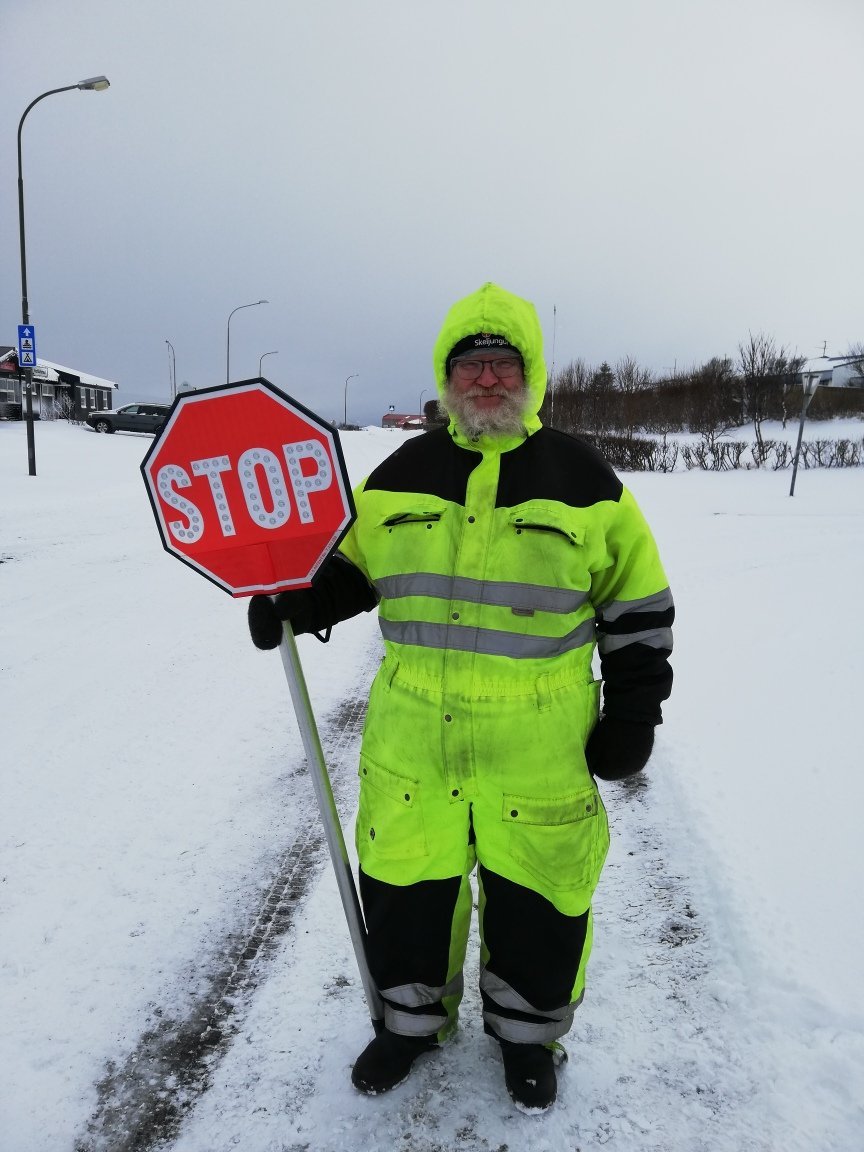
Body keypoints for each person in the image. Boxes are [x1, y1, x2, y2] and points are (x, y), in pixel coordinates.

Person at [247, 282, 674, 1113]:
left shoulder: (587, 483)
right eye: (469, 366)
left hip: (538, 747)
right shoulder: (400, 473)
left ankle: (527, 1038)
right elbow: (348, 569)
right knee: (405, 894)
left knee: (540, 904)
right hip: (413, 740)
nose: (485, 382)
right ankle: (407, 1025)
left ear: (531, 373)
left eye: (501, 364)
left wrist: (633, 716)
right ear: (446, 379)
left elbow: (641, 610)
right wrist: (295, 603)